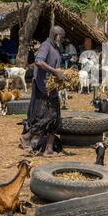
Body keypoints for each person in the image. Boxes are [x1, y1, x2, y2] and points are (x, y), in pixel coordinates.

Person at [20, 26, 65, 155]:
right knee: (48, 116)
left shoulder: (55, 47)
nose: (62, 40)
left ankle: (49, 149)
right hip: (42, 87)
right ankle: (27, 136)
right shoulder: (46, 45)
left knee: (56, 118)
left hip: (52, 88)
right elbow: (38, 61)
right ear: (55, 35)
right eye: (61, 37)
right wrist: (55, 71)